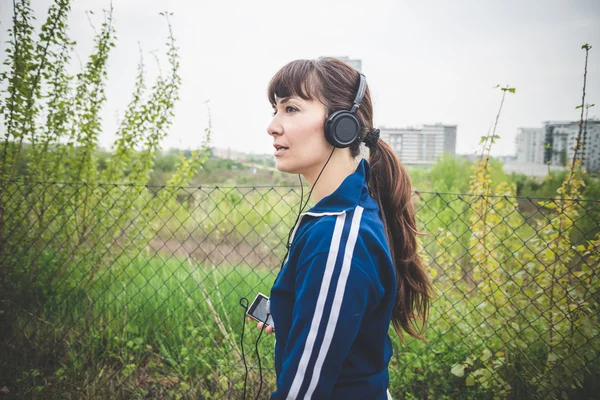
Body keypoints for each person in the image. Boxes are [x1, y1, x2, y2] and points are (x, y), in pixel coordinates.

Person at [249, 58, 432, 400]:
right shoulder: (344, 213)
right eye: (275, 109)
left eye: (290, 109)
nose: (272, 126)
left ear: (341, 125)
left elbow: (304, 392)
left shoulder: (337, 238)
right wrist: (295, 316)